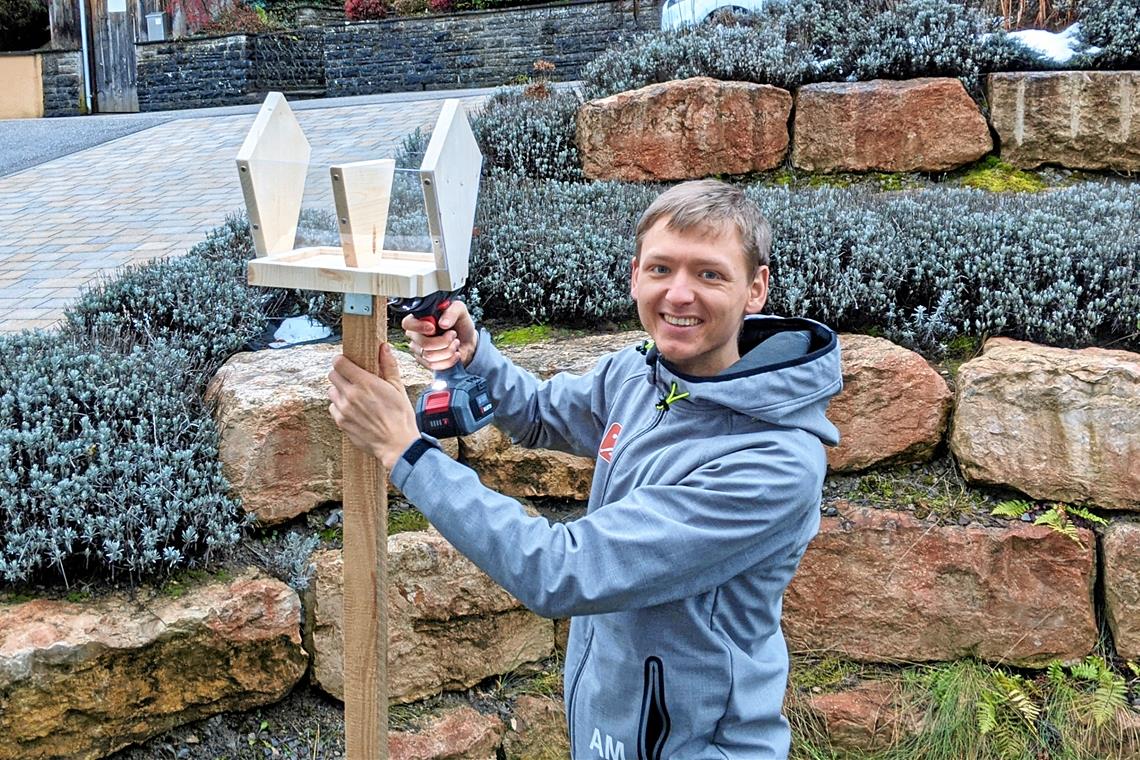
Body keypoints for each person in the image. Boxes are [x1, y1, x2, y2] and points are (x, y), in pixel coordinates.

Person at [328, 179, 843, 759]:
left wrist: (407, 452)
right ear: (634, 276)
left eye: (709, 274)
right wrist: (475, 352)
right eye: (661, 269)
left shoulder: (771, 464)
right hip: (612, 729)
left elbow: (562, 572)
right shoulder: (640, 376)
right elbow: (541, 415)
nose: (678, 294)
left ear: (756, 288)